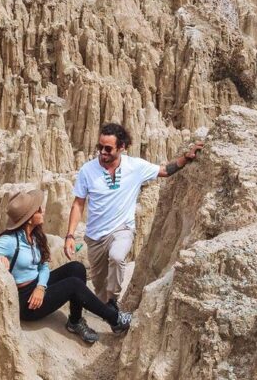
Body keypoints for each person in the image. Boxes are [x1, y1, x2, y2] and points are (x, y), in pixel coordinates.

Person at [64, 123, 203, 307]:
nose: (102, 152)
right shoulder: (87, 170)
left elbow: (164, 171)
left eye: (108, 148)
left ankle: (113, 301)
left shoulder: (135, 166)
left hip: (122, 228)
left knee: (117, 257)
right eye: (100, 147)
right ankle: (106, 309)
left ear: (121, 147)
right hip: (95, 236)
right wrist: (70, 235)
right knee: (99, 283)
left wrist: (186, 158)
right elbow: (78, 204)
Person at [0, 188, 132, 344]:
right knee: (73, 285)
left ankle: (75, 321)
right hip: (25, 302)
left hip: (36, 286)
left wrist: (41, 287)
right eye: (38, 210)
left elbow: (44, 265)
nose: (43, 211)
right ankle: (115, 319)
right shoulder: (10, 241)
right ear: (29, 219)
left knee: (76, 268)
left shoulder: (34, 236)